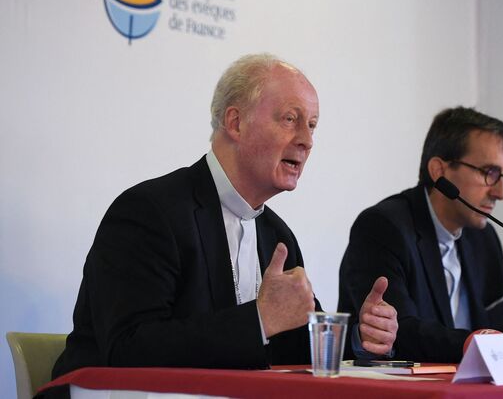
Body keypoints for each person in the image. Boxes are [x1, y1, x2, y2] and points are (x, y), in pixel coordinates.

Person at [51, 54, 397, 382]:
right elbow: (129, 349)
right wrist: (259, 320)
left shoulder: (278, 236)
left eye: (312, 126)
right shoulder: (149, 212)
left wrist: (359, 337)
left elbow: (293, 352)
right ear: (236, 123)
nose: (307, 141)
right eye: (290, 120)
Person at [338, 106, 503, 363]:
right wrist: (472, 344)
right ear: (440, 170)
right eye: (489, 173)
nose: (500, 192)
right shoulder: (383, 227)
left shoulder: (482, 236)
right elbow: (399, 331)